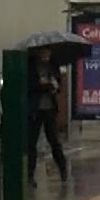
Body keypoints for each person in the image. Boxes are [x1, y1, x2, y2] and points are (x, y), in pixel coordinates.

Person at [27, 47, 69, 184]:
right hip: (35, 108)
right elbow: (31, 85)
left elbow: (58, 85)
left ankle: (63, 169)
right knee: (31, 141)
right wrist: (44, 85)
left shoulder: (53, 65)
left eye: (48, 52)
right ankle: (30, 174)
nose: (46, 55)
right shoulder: (31, 66)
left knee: (54, 140)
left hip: (49, 107)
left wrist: (53, 86)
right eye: (44, 52)